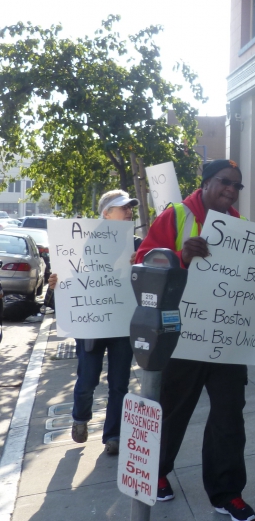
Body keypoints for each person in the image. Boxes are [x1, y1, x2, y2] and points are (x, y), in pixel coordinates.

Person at [136, 159, 255, 521]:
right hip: (181, 336)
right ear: (206, 183)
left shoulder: (239, 227)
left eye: (237, 186)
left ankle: (227, 493)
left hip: (227, 338)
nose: (231, 190)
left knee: (229, 415)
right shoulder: (176, 216)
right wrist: (181, 257)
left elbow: (252, 279)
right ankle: (157, 471)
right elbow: (143, 262)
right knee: (173, 410)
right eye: (225, 182)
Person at [67, 190, 141, 456]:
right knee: (88, 378)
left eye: (130, 208)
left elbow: (149, 280)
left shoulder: (137, 244)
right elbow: (68, 278)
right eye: (123, 208)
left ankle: (114, 435)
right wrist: (56, 283)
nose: (129, 211)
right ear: (106, 213)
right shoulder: (80, 242)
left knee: (119, 383)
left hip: (122, 323)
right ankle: (80, 417)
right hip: (92, 323)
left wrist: (140, 264)